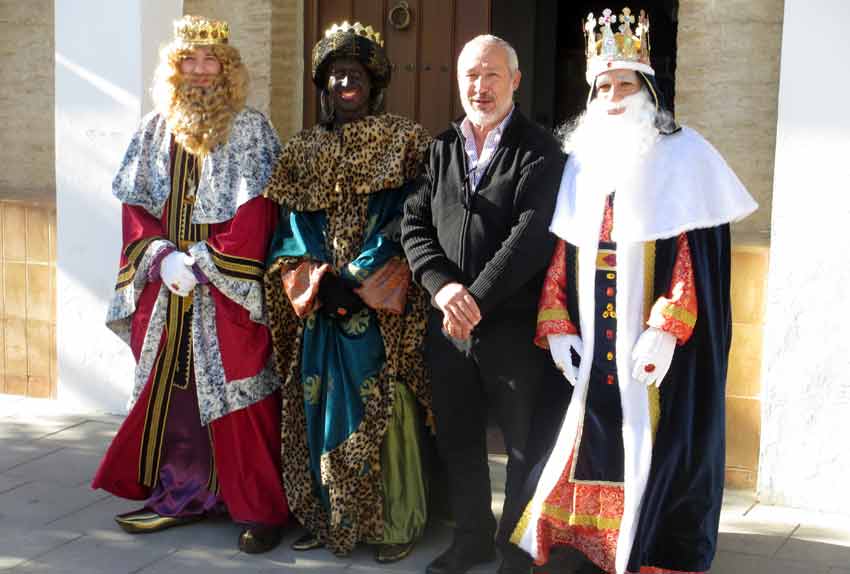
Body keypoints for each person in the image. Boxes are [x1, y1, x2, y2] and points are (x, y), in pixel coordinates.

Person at [509, 8, 758, 574]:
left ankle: (647, 549)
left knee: (657, 445)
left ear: (646, 87)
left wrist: (668, 328)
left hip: (655, 350)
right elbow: (562, 254)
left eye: (624, 83)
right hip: (593, 345)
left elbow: (696, 258)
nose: (613, 96)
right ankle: (584, 543)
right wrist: (557, 325)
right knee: (584, 435)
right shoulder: (581, 161)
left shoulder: (686, 154)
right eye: (603, 86)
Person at [92, 15, 289, 554]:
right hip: (168, 289)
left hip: (225, 287)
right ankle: (183, 493)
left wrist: (202, 262)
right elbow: (136, 208)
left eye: (212, 63)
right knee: (174, 394)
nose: (201, 72)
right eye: (190, 61)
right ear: (174, 69)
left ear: (229, 71)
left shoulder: (250, 128)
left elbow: (256, 214)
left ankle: (260, 509)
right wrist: (160, 258)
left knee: (240, 394)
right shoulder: (154, 127)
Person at [261, 21, 432, 564]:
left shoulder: (406, 140)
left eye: (355, 72)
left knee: (386, 406)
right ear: (323, 85)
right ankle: (325, 516)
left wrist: (358, 277)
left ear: (374, 83)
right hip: (319, 305)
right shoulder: (303, 148)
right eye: (335, 73)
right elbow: (291, 226)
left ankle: (394, 524)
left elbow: (411, 218)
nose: (344, 81)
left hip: (380, 305)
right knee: (317, 407)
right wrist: (320, 281)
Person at [401, 34, 566, 574]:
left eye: (492, 74)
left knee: (524, 446)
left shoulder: (541, 149)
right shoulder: (441, 147)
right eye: (471, 75)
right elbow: (415, 224)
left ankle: (515, 549)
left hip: (513, 330)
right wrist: (443, 288)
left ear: (515, 81)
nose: (480, 86)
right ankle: (471, 540)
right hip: (448, 327)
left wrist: (476, 298)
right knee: (459, 439)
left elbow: (532, 237)